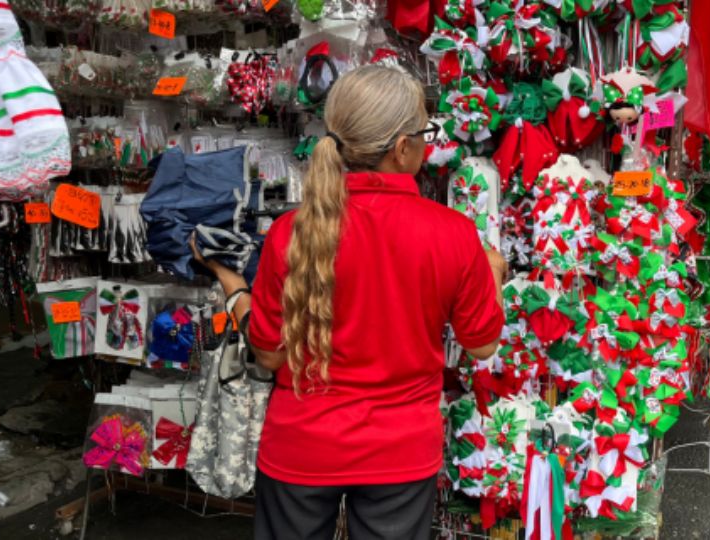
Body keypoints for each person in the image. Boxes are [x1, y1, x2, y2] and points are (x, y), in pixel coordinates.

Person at [193, 65, 507, 539]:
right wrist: (494, 273)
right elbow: (482, 345)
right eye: (424, 133)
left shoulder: (289, 233)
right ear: (403, 148)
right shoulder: (454, 235)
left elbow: (271, 353)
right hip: (399, 454)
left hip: (301, 447)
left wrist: (230, 281)